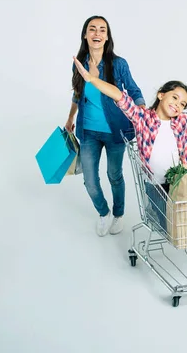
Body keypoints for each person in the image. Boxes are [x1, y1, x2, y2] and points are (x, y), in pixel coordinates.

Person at [72, 57, 187, 229]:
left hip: (184, 181)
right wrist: (92, 79)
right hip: (156, 186)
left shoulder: (183, 121)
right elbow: (119, 96)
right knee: (172, 226)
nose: (178, 105)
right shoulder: (142, 118)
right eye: (175, 98)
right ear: (162, 95)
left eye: (182, 104)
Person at [65, 15, 146, 237]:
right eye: (92, 29)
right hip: (88, 131)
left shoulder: (118, 64)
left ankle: (118, 213)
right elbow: (77, 93)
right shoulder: (79, 64)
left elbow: (134, 90)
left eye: (102, 30)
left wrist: (143, 113)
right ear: (85, 34)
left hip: (115, 131)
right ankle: (104, 213)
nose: (97, 33)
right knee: (89, 180)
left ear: (107, 36)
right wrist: (70, 118)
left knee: (114, 175)